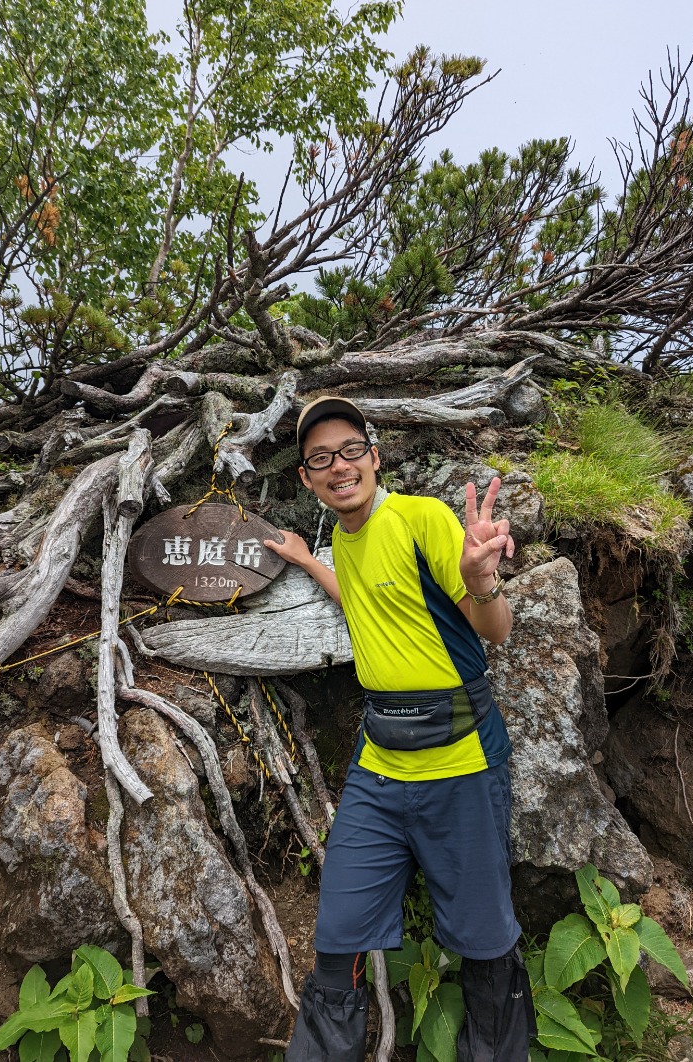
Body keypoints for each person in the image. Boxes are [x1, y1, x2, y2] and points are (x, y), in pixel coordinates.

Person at [264, 396, 535, 1061]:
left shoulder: (421, 518)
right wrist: (305, 559)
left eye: (350, 450)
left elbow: (493, 629)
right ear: (307, 477)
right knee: (339, 931)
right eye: (320, 458)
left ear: (374, 457)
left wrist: (481, 580)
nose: (339, 466)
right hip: (379, 769)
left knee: (483, 938)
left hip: (461, 762)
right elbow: (359, 595)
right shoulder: (342, 538)